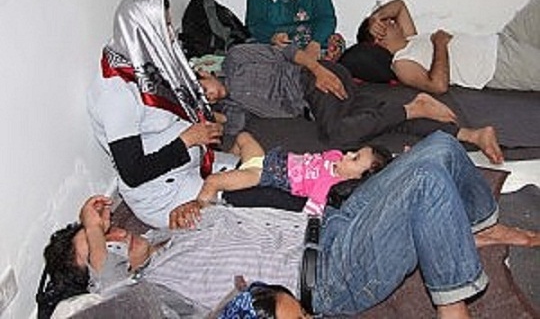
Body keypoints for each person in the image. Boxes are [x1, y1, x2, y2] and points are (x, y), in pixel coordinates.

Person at [40, 132, 540, 318]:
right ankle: (454, 309)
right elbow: (99, 294)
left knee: (440, 148)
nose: (115, 235)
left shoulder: (170, 229)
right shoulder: (148, 294)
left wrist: (204, 197)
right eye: (101, 245)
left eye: (107, 229)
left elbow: (231, 192)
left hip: (334, 224)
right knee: (427, 182)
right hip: (333, 276)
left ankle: (481, 226)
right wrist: (89, 225)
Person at [200, 42, 504, 164]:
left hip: (315, 80)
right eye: (205, 100)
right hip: (318, 105)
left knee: (337, 137)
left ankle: (412, 107)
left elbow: (287, 52)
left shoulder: (236, 58)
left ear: (204, 73)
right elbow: (232, 133)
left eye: (204, 89)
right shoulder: (233, 106)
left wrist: (318, 69)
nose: (209, 96)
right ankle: (471, 134)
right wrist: (210, 121)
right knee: (379, 125)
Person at [86, 0, 239, 228]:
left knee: (260, 171)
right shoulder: (116, 93)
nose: (171, 34)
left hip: (188, 166)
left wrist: (203, 117)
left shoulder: (142, 62)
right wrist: (187, 139)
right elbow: (133, 173)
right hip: (161, 191)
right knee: (252, 199)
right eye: (164, 26)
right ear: (142, 32)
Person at [357, 0, 540, 94]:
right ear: (378, 39)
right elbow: (438, 86)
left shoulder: (410, 39)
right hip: (497, 66)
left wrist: (376, 17)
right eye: (386, 23)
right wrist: (440, 45)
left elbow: (399, 5)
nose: (392, 20)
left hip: (501, 39)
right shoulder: (401, 63)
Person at [195, 132, 392, 216]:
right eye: (354, 152)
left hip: (264, 175)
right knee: (243, 137)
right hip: (266, 160)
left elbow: (311, 214)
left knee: (213, 182)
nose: (348, 154)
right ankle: (231, 165)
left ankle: (204, 217)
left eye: (355, 159)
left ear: (356, 179)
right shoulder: (335, 156)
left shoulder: (327, 186)